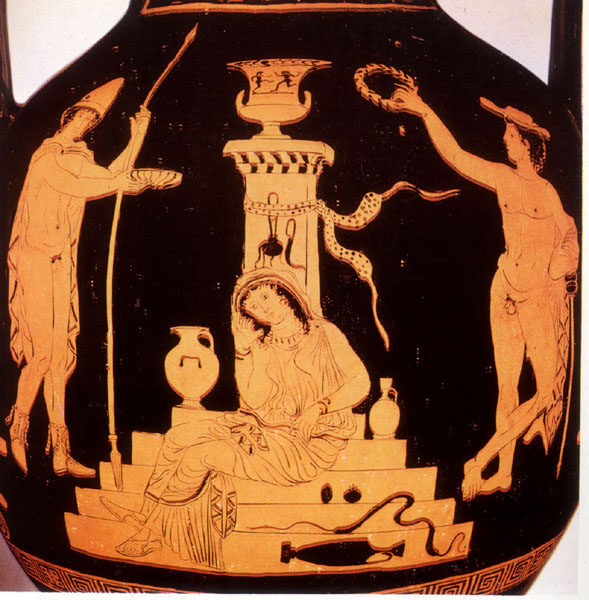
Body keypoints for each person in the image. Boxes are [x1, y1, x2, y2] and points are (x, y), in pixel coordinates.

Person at [384, 83, 579, 501]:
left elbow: (570, 233)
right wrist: (424, 110)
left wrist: (565, 264)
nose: (505, 141)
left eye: (510, 135)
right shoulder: (504, 179)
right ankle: (502, 471)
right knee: (509, 387)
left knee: (546, 391)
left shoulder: (548, 192)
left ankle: (481, 460)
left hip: (536, 294)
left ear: (527, 144)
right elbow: (456, 155)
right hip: (507, 286)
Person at [113, 268, 370, 568]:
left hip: (308, 443)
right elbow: (254, 402)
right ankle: (147, 514)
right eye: (254, 306)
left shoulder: (324, 334)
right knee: (177, 438)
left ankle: (154, 534)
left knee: (200, 456)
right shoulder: (264, 343)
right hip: (267, 428)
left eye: (265, 297)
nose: (262, 308)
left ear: (285, 295)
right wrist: (244, 351)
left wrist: (321, 406)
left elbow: (360, 382)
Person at [6, 78, 154, 477]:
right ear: (67, 117)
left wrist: (137, 136)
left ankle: (60, 450)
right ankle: (17, 432)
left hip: (60, 261)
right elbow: (82, 185)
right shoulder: (47, 155)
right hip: (35, 259)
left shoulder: (77, 156)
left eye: (91, 122)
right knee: (40, 355)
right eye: (81, 118)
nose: (85, 125)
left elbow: (108, 177)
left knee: (60, 359)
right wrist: (128, 182)